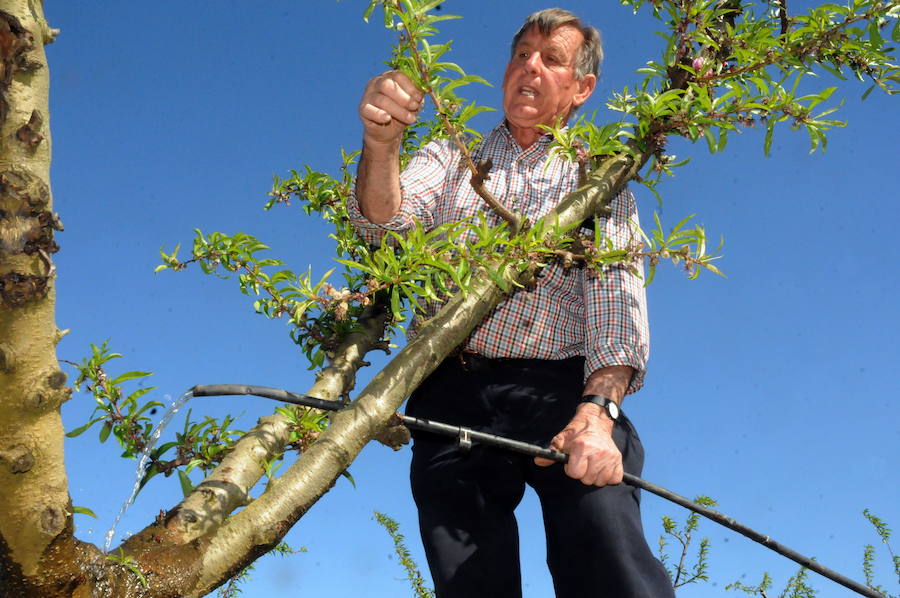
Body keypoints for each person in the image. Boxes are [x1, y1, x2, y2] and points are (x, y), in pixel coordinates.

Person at [349, 8, 674, 598]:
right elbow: (384, 228)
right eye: (521, 53)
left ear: (581, 89)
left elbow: (615, 303)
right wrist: (381, 145)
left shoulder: (598, 179)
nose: (530, 65)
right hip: (452, 388)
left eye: (551, 59)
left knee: (604, 544)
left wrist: (596, 416)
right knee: (470, 577)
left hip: (562, 391)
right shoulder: (454, 158)